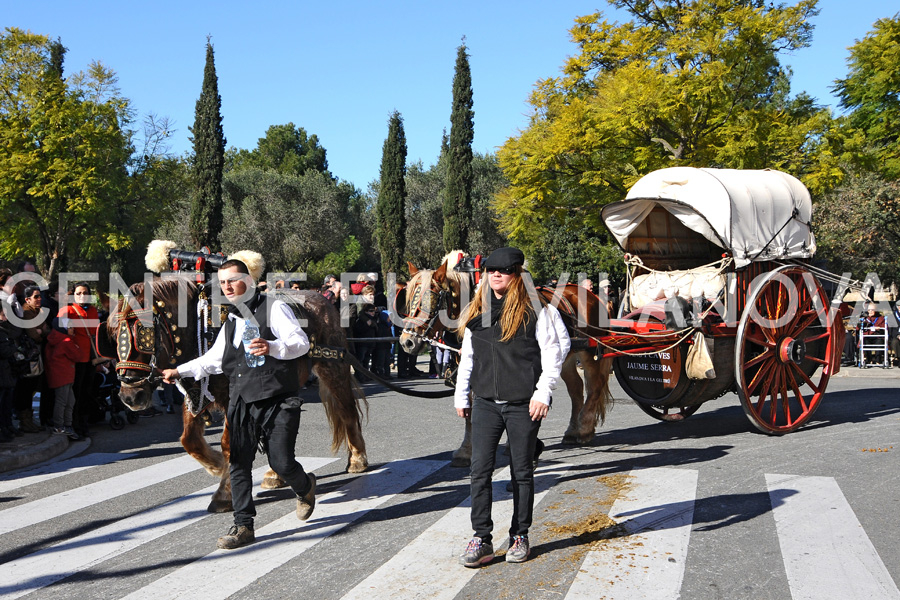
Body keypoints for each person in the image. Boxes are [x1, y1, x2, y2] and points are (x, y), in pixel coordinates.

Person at [161, 258, 316, 550]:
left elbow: (301, 343)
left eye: (232, 280)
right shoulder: (231, 319)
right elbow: (214, 360)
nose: (227, 287)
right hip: (242, 400)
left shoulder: (275, 307)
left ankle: (305, 487)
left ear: (248, 279)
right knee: (239, 463)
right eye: (222, 282)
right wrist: (179, 371)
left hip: (276, 399)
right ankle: (243, 525)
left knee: (281, 463)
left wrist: (273, 347)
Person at [454, 247, 570, 567]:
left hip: (523, 404)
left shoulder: (538, 311)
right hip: (486, 404)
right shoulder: (478, 310)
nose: (495, 275)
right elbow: (469, 356)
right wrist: (462, 394)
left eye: (502, 271)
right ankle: (482, 538)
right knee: (479, 470)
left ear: (517, 274)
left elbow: (554, 352)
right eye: (490, 270)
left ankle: (520, 534)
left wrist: (543, 393)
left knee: (521, 471)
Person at [57, 282, 99, 435]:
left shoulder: (93, 310)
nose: (82, 296)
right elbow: (60, 333)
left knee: (87, 391)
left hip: (91, 358)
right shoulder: (67, 310)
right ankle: (73, 424)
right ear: (73, 295)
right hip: (74, 358)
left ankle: (84, 422)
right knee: (75, 393)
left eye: (85, 293)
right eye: (79, 293)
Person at [44, 325, 83, 440]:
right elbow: (78, 356)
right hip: (64, 375)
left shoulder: (54, 340)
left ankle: (65, 425)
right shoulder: (66, 341)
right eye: (70, 328)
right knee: (64, 401)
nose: (73, 330)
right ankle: (61, 426)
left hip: (59, 374)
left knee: (68, 401)